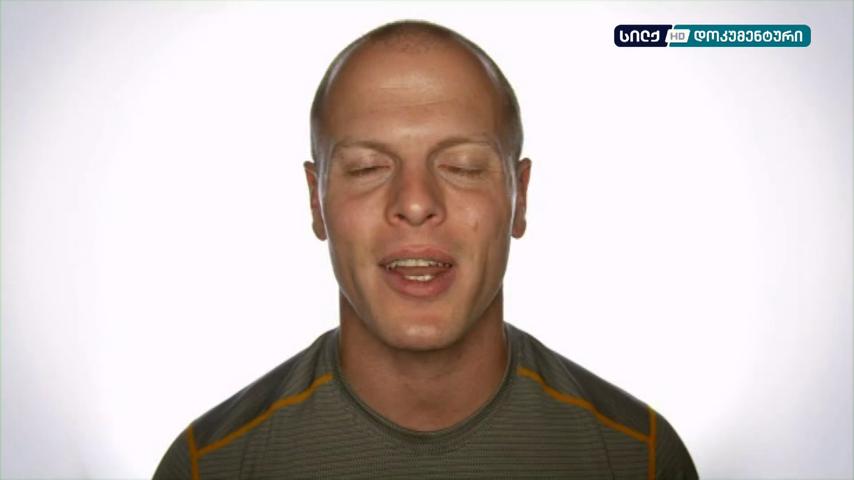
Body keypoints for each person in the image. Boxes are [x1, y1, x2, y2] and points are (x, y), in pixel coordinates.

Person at [154, 19, 698, 479]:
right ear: (316, 202)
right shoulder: (209, 466)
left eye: (462, 166)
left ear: (521, 197)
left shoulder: (640, 459)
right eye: (367, 168)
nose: (415, 203)